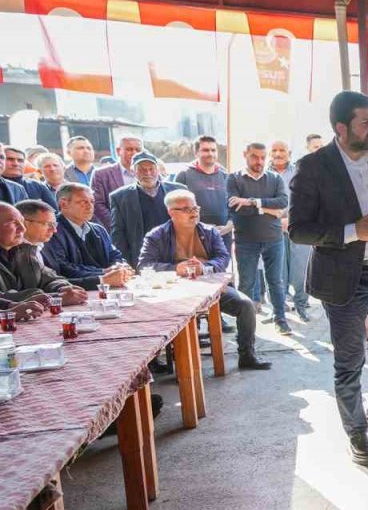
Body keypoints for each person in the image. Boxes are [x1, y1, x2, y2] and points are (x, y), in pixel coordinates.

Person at [287, 91, 368, 466]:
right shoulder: (312, 167)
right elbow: (298, 229)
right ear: (341, 128)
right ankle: (356, 431)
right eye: (366, 122)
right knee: (350, 361)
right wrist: (351, 231)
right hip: (345, 278)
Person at [136, 190, 270, 371]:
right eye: (186, 209)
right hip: (173, 293)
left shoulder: (209, 232)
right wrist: (176, 268)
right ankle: (166, 364)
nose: (193, 213)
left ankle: (247, 355)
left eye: (195, 208)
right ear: (171, 212)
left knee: (246, 305)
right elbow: (145, 265)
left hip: (210, 288)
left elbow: (223, 258)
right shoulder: (157, 235)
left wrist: (204, 268)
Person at [226, 142, 291, 335]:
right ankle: (246, 328)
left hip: (274, 238)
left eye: (263, 157)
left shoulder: (274, 178)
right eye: (255, 157)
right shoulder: (234, 179)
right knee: (246, 283)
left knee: (276, 281)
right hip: (246, 240)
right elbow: (235, 208)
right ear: (245, 154)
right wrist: (270, 210)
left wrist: (252, 202)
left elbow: (283, 203)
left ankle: (281, 320)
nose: (260, 161)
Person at [0, 202, 87, 314]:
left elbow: (48, 278)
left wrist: (61, 288)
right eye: (13, 223)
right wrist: (55, 297)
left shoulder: (24, 251)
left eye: (21, 222)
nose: (22, 229)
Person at [40, 183, 131, 291]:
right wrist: (104, 273)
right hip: (73, 291)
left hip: (105, 288)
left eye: (92, 201)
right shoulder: (51, 231)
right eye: (83, 202)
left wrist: (119, 267)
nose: (90, 206)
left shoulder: (99, 229)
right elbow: (63, 268)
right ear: (63, 204)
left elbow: (114, 255)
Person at [108, 152, 187, 268]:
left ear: (158, 170)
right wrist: (125, 263)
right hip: (143, 258)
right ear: (133, 172)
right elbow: (118, 234)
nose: (148, 173)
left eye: (151, 168)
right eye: (141, 169)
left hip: (177, 255)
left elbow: (191, 220)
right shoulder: (119, 197)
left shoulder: (178, 189)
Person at [271, 140, 311, 321]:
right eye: (274, 150)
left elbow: (310, 200)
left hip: (299, 227)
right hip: (273, 229)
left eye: (282, 150)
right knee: (278, 272)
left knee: (301, 269)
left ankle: (301, 306)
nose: (278, 154)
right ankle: (279, 311)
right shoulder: (264, 174)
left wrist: (291, 219)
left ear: (289, 152)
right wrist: (278, 220)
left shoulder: (300, 172)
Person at [174, 135, 233, 240]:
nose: (210, 154)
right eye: (205, 150)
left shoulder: (226, 177)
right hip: (193, 237)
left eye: (213, 150)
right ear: (196, 153)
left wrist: (228, 227)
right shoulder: (184, 176)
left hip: (222, 237)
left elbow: (234, 208)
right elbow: (175, 208)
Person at [90, 135, 143, 229]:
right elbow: (97, 204)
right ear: (118, 151)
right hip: (115, 231)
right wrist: (119, 226)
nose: (134, 153)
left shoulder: (150, 173)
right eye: (129, 149)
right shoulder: (101, 174)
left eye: (138, 150)